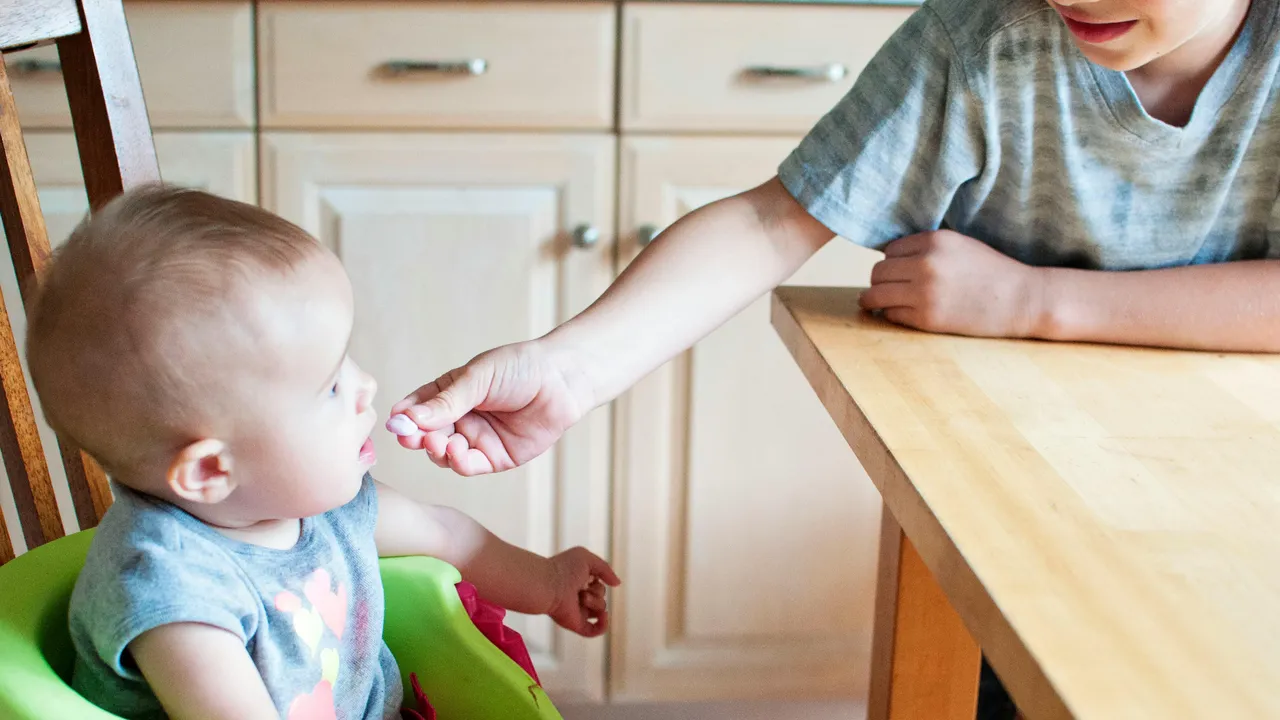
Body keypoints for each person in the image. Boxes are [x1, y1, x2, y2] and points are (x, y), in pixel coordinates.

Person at [385, 0, 1277, 716]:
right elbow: (776, 219)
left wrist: (1032, 300)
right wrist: (570, 369)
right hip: (1015, 501)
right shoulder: (981, 38)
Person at [27, 186, 619, 720]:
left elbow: (447, 534)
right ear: (212, 469)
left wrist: (547, 581)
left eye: (346, 361)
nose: (365, 386)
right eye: (329, 387)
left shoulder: (311, 500)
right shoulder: (175, 591)